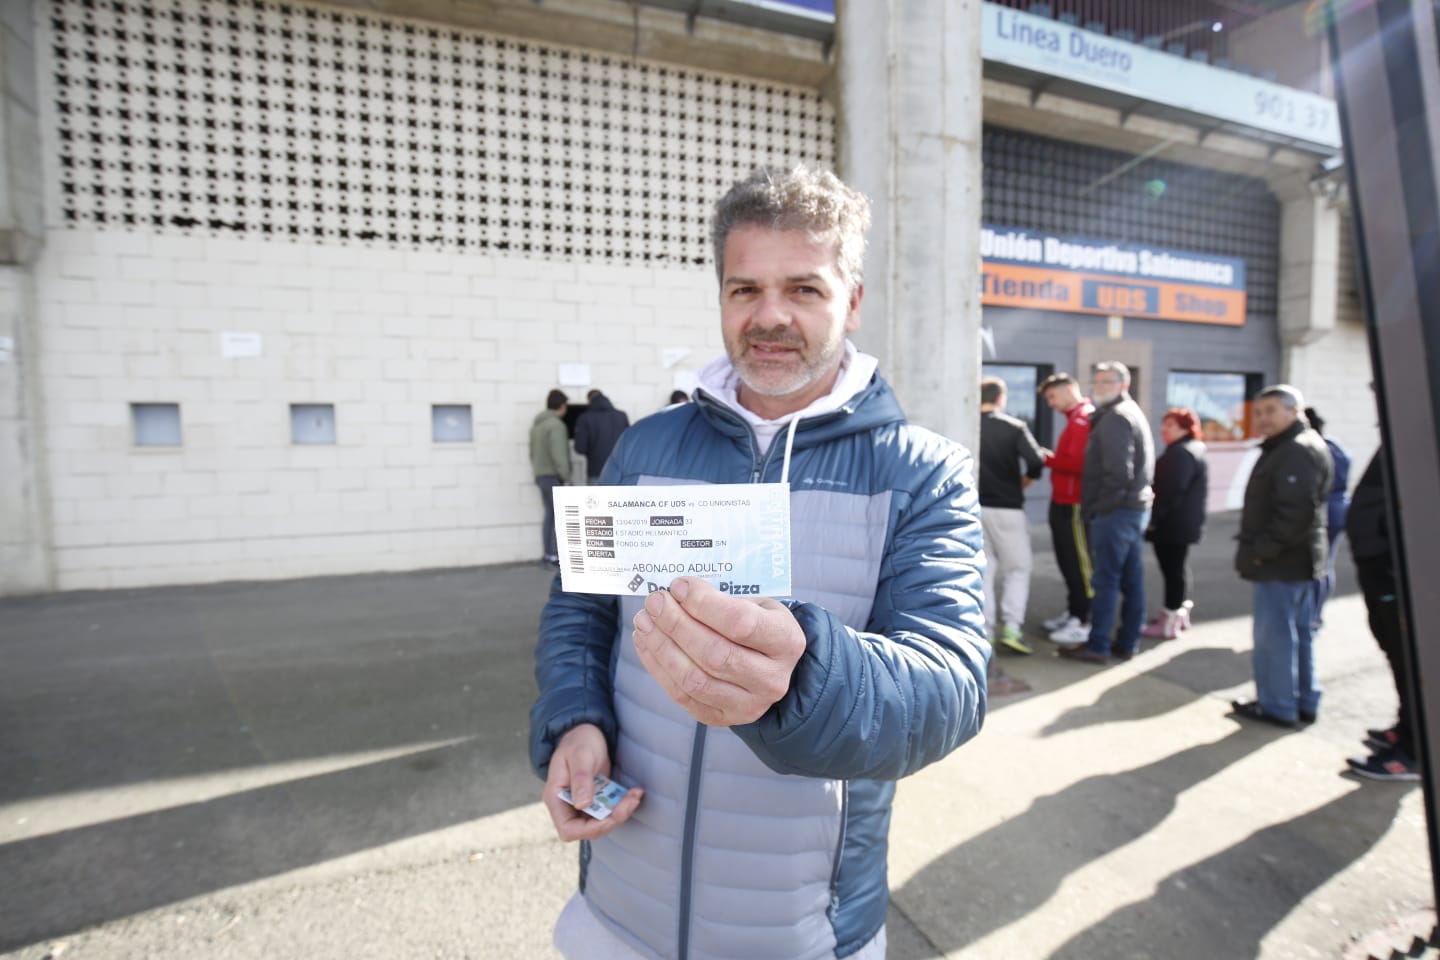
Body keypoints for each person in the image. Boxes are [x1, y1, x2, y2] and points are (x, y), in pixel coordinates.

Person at [529, 166, 989, 960]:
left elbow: (950, 684)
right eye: (744, 290)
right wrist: (575, 719)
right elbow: (580, 610)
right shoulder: (644, 449)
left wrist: (809, 675)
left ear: (852, 300)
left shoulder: (922, 473)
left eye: (803, 290)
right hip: (617, 908)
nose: (769, 317)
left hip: (801, 930)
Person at [1229, 385, 1333, 729]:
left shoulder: (1296, 450)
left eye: (1270, 411)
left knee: (1275, 638)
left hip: (1284, 564)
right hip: (1297, 561)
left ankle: (1277, 705)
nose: (1263, 419)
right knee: (1296, 634)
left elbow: (1294, 515)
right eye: (1258, 412)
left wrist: (1261, 553)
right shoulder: (1293, 447)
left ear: (1294, 411)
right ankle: (1301, 700)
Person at [1058, 361, 1153, 665]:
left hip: (1117, 513)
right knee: (1130, 579)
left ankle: (1098, 644)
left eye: (1107, 382)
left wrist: (1100, 510)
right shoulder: (1129, 412)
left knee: (1107, 581)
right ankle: (1126, 643)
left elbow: (1118, 474)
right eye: (1096, 382)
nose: (1099, 388)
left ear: (1123, 385)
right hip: (1131, 510)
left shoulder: (1116, 417)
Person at [1344, 447, 1419, 780]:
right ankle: (1407, 730)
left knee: (1413, 664)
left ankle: (1415, 752)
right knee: (1398, 657)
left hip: (1396, 574)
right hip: (1381, 570)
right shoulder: (1398, 437)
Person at [978, 376, 1048, 655]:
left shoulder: (967, 423)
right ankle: (1012, 628)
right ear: (1001, 399)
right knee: (1017, 570)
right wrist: (1026, 480)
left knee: (984, 570)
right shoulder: (1014, 427)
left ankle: (985, 633)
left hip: (975, 506)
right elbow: (1036, 461)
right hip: (1008, 507)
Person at [1037, 372, 1095, 647]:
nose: (1050, 403)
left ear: (1069, 389)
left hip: (1074, 504)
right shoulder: (1076, 418)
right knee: (1067, 561)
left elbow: (1078, 465)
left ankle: (1083, 620)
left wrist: (1046, 458)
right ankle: (1074, 613)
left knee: (1079, 564)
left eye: (1052, 396)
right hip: (1063, 500)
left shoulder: (1083, 418)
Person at [1141, 408, 1208, 640]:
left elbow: (1170, 492)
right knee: (1177, 569)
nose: (1164, 429)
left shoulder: (1180, 454)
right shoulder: (1193, 449)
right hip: (1184, 523)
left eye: (1171, 425)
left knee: (1172, 570)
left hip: (1172, 525)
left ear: (1185, 428)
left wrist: (1153, 520)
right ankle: (1179, 613)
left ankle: (1169, 620)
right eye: (1164, 424)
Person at [1304, 407, 1351, 629]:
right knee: (1326, 565)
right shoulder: (1337, 447)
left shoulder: (1316, 450)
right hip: (1339, 510)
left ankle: (1312, 615)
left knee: (1317, 567)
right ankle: (1317, 613)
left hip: (1325, 513)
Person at [529, 388, 570, 566]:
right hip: (553, 476)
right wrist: (566, 477)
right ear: (562, 406)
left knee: (549, 515)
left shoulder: (536, 426)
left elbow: (531, 453)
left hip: (541, 475)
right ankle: (554, 555)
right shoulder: (556, 426)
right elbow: (559, 454)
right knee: (557, 516)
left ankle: (548, 553)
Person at [574, 389, 631, 482]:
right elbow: (629, 443)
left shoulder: (585, 418)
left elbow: (580, 448)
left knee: (596, 497)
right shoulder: (621, 416)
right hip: (619, 472)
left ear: (589, 401)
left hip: (596, 472)